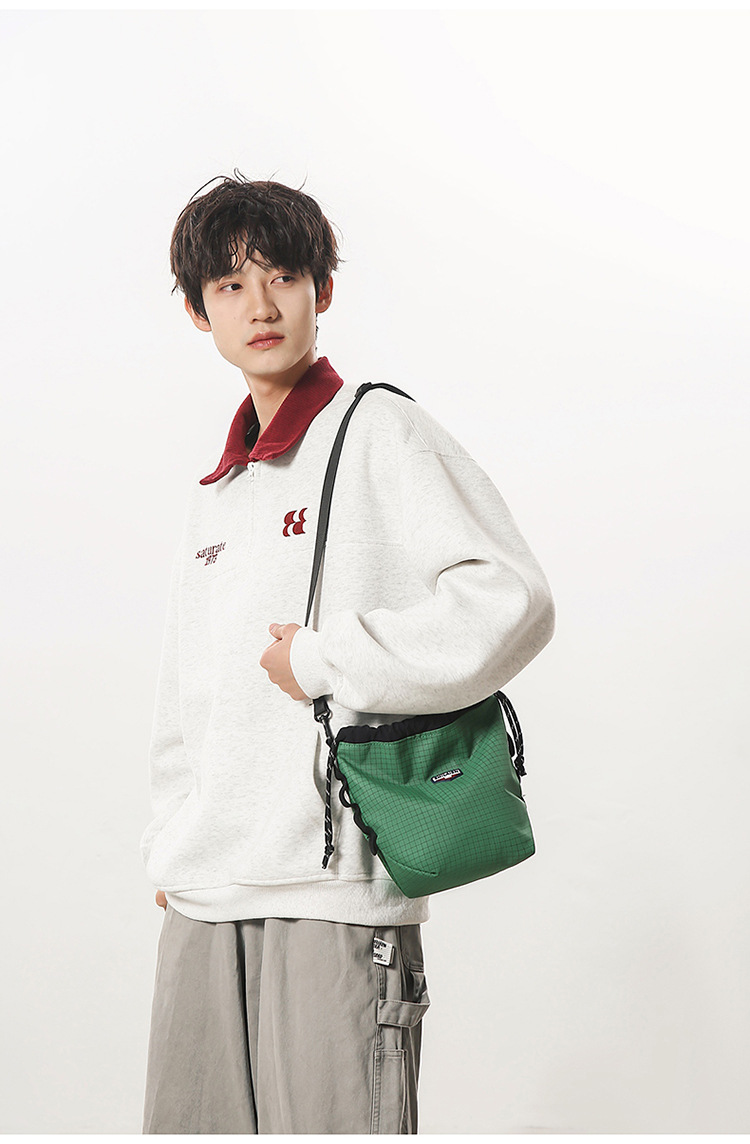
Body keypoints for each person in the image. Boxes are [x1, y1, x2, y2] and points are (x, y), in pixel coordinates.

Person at [139, 173, 555, 1134]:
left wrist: (330, 661)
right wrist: (173, 838)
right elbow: (184, 688)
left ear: (322, 290)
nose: (260, 306)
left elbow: (514, 599)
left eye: (282, 278)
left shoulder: (380, 432)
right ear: (199, 312)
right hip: (205, 891)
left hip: (334, 894)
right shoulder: (218, 489)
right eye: (231, 286)